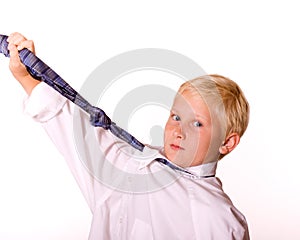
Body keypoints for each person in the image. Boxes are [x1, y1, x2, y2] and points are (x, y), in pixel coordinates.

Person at [7, 32, 250, 239]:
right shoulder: (131, 164)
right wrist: (26, 76)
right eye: (176, 117)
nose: (179, 131)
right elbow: (72, 126)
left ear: (227, 143)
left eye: (197, 123)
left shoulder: (220, 219)